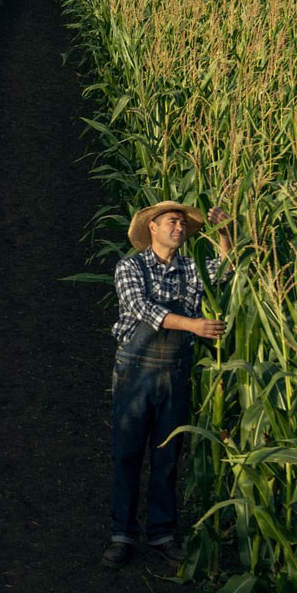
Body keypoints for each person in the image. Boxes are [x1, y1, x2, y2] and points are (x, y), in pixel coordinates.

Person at [100, 199, 232, 569]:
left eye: (183, 224)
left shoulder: (190, 268)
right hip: (135, 370)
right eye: (172, 222)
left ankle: (162, 534)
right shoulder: (130, 266)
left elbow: (224, 270)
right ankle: (121, 535)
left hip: (175, 370)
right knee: (127, 454)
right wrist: (193, 325)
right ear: (152, 228)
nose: (179, 228)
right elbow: (140, 307)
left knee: (167, 456)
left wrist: (225, 232)